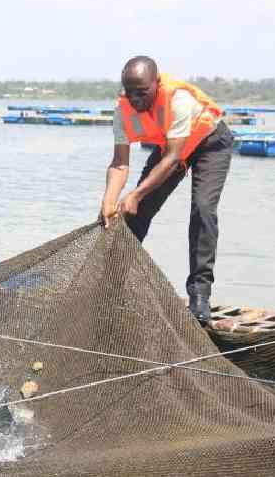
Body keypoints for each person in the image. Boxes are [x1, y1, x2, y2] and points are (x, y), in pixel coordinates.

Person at [99, 56, 233, 325]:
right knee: (133, 213)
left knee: (203, 209)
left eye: (142, 92)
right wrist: (110, 200)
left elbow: (172, 159)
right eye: (130, 92)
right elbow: (119, 163)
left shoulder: (178, 100)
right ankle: (110, 286)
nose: (136, 99)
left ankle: (199, 295)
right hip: (171, 148)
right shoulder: (121, 111)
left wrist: (135, 194)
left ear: (156, 83)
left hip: (209, 142)